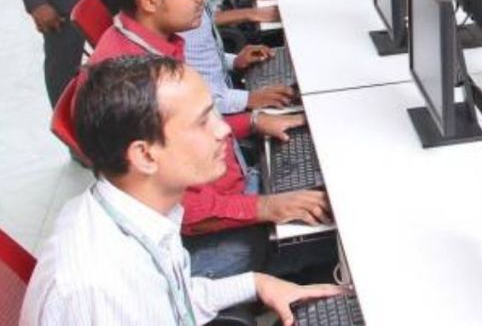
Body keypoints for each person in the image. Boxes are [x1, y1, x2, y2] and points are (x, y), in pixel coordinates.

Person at [20, 56, 345, 325]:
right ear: (145, 155)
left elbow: (176, 299)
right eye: (202, 122)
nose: (223, 129)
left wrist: (258, 283)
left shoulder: (137, 212)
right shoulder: (101, 289)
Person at [82, 0, 330, 278]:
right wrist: (266, 207)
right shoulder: (135, 83)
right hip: (206, 240)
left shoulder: (153, 43)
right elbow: (182, 211)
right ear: (149, 0)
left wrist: (254, 121)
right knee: (346, 230)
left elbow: (187, 128)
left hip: (232, 190)